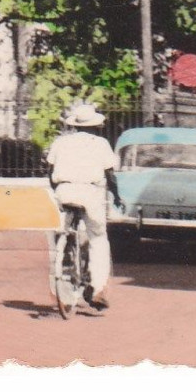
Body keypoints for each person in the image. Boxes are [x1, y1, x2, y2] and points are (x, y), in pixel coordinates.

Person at [45, 102, 123, 311]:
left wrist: (57, 190)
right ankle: (98, 289)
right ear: (95, 125)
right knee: (98, 238)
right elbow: (110, 175)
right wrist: (116, 196)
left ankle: (58, 287)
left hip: (64, 191)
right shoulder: (101, 144)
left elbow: (49, 170)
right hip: (90, 193)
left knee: (60, 234)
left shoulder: (60, 142)